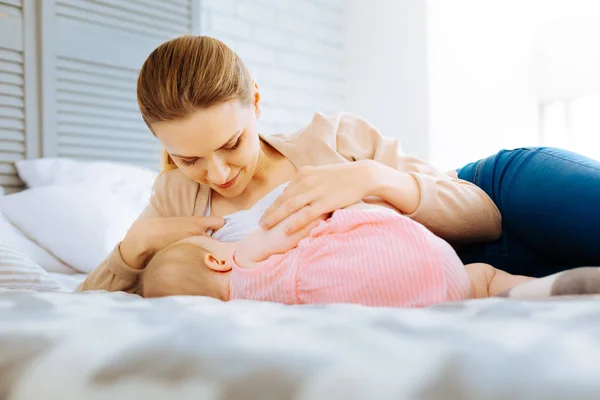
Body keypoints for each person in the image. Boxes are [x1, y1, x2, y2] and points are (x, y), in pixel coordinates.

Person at [77, 35, 501, 294]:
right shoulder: (174, 197)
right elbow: (84, 311)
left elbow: (485, 217)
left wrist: (374, 178)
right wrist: (131, 250)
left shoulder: (335, 138)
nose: (219, 174)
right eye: (187, 159)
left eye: (231, 143)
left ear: (256, 102)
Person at [138, 205, 529, 306]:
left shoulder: (252, 306)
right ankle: (552, 287)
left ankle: (518, 288)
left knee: (479, 280)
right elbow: (294, 226)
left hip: (409, 298)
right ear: (217, 261)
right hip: (412, 253)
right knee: (483, 275)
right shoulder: (246, 255)